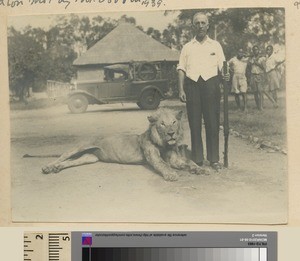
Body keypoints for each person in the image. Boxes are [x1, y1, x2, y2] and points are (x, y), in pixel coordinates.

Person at [177, 12, 230, 171]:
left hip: (211, 85)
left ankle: (214, 159)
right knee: (194, 123)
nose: (200, 26)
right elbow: (181, 69)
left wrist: (226, 74)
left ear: (208, 25)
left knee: (212, 122)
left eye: (203, 23)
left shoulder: (216, 45)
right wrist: (181, 89)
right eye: (197, 23)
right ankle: (197, 159)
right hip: (192, 85)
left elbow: (223, 66)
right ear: (193, 26)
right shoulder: (187, 47)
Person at [247, 45, 266, 110]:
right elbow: (249, 67)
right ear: (253, 51)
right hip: (253, 75)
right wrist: (250, 62)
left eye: (256, 50)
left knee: (260, 91)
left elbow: (264, 67)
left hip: (259, 75)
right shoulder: (251, 58)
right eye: (254, 50)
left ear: (258, 50)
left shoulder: (262, 58)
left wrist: (257, 63)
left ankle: (261, 106)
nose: (255, 51)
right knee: (255, 92)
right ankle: (258, 106)